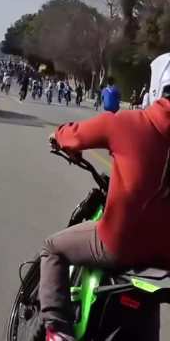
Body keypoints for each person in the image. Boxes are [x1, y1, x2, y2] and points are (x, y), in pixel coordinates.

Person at [39, 84, 170, 341]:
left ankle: (57, 331)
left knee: (52, 248)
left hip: (119, 244)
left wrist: (58, 135)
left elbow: (74, 135)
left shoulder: (127, 122)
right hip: (165, 258)